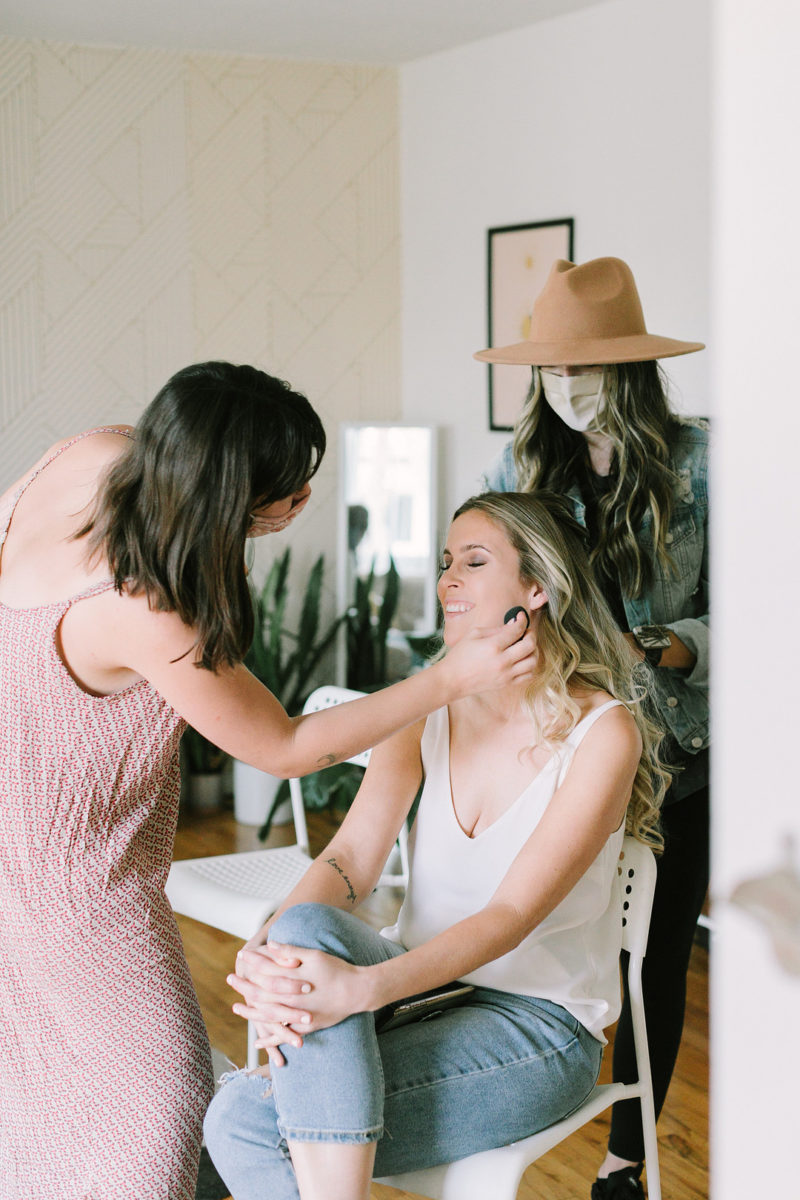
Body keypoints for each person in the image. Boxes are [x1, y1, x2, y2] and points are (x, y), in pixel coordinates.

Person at [0, 361, 536, 1200]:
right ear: (228, 496)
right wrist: (443, 679)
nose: (300, 504)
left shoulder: (98, 456)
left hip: (17, 839)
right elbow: (284, 747)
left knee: (36, 1106)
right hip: (78, 886)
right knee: (162, 1108)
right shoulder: (145, 607)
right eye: (285, 495)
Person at [203, 489, 667, 1200]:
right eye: (447, 561)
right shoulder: (426, 708)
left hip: (536, 1029)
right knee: (300, 927)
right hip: (419, 987)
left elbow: (510, 916)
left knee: (242, 1119)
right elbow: (351, 859)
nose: (448, 580)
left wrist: (363, 989)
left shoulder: (603, 734)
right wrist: (269, 946)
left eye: (473, 562)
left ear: (538, 587)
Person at [475, 256, 709, 1200]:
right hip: (561, 751)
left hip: (680, 756)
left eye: (588, 368)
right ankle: (524, 1109)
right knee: (559, 938)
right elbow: (484, 600)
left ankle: (628, 1151)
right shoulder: (519, 469)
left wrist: (667, 643)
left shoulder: (703, 462)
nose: (568, 389)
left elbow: (768, 603)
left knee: (653, 958)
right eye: (552, 370)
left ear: (632, 365)